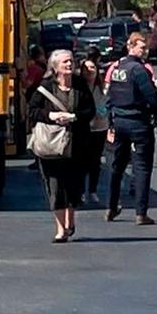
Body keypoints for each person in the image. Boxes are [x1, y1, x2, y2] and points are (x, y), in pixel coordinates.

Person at [106, 32, 157, 225]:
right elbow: (151, 96)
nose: (144, 51)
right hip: (138, 122)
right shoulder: (138, 70)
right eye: (141, 47)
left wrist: (111, 121)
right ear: (131, 46)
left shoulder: (117, 68)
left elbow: (111, 96)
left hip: (119, 120)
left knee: (117, 166)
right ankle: (141, 213)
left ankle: (111, 207)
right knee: (142, 167)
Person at [29, 49, 95, 242]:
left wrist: (74, 117)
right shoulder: (46, 87)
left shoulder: (80, 85)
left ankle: (70, 220)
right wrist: (51, 116)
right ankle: (60, 229)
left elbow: (90, 111)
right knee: (55, 186)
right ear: (55, 66)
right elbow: (32, 111)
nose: (69, 64)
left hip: (77, 145)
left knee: (74, 186)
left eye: (71, 61)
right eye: (65, 62)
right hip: (52, 146)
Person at [79, 57, 111, 206]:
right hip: (83, 127)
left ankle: (92, 190)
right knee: (81, 161)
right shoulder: (79, 87)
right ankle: (80, 191)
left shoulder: (102, 86)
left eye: (92, 68)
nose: (89, 71)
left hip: (100, 126)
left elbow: (108, 102)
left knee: (95, 161)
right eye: (86, 68)